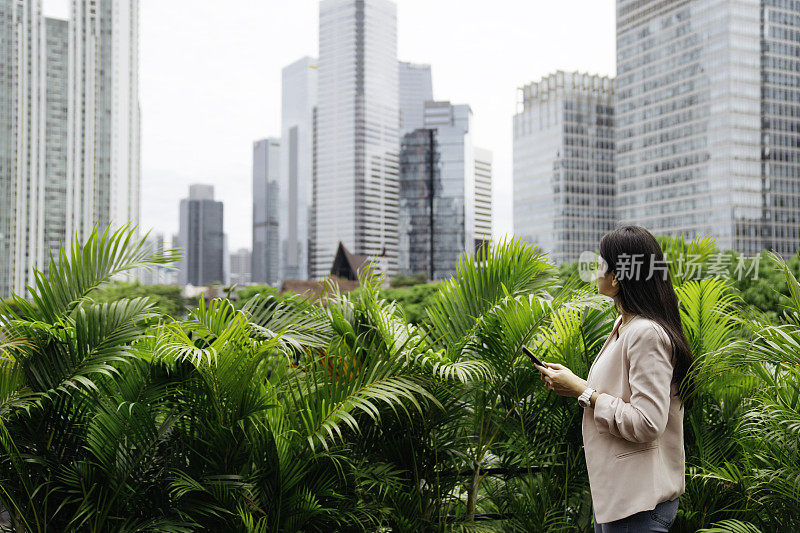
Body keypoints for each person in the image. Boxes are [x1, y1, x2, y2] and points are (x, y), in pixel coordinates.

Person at [535, 225, 692, 532]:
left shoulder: (645, 333)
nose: (594, 270)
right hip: (623, 499)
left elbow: (647, 423)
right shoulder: (626, 325)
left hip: (640, 506)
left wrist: (584, 391)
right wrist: (575, 385)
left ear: (618, 276)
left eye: (599, 262)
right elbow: (619, 396)